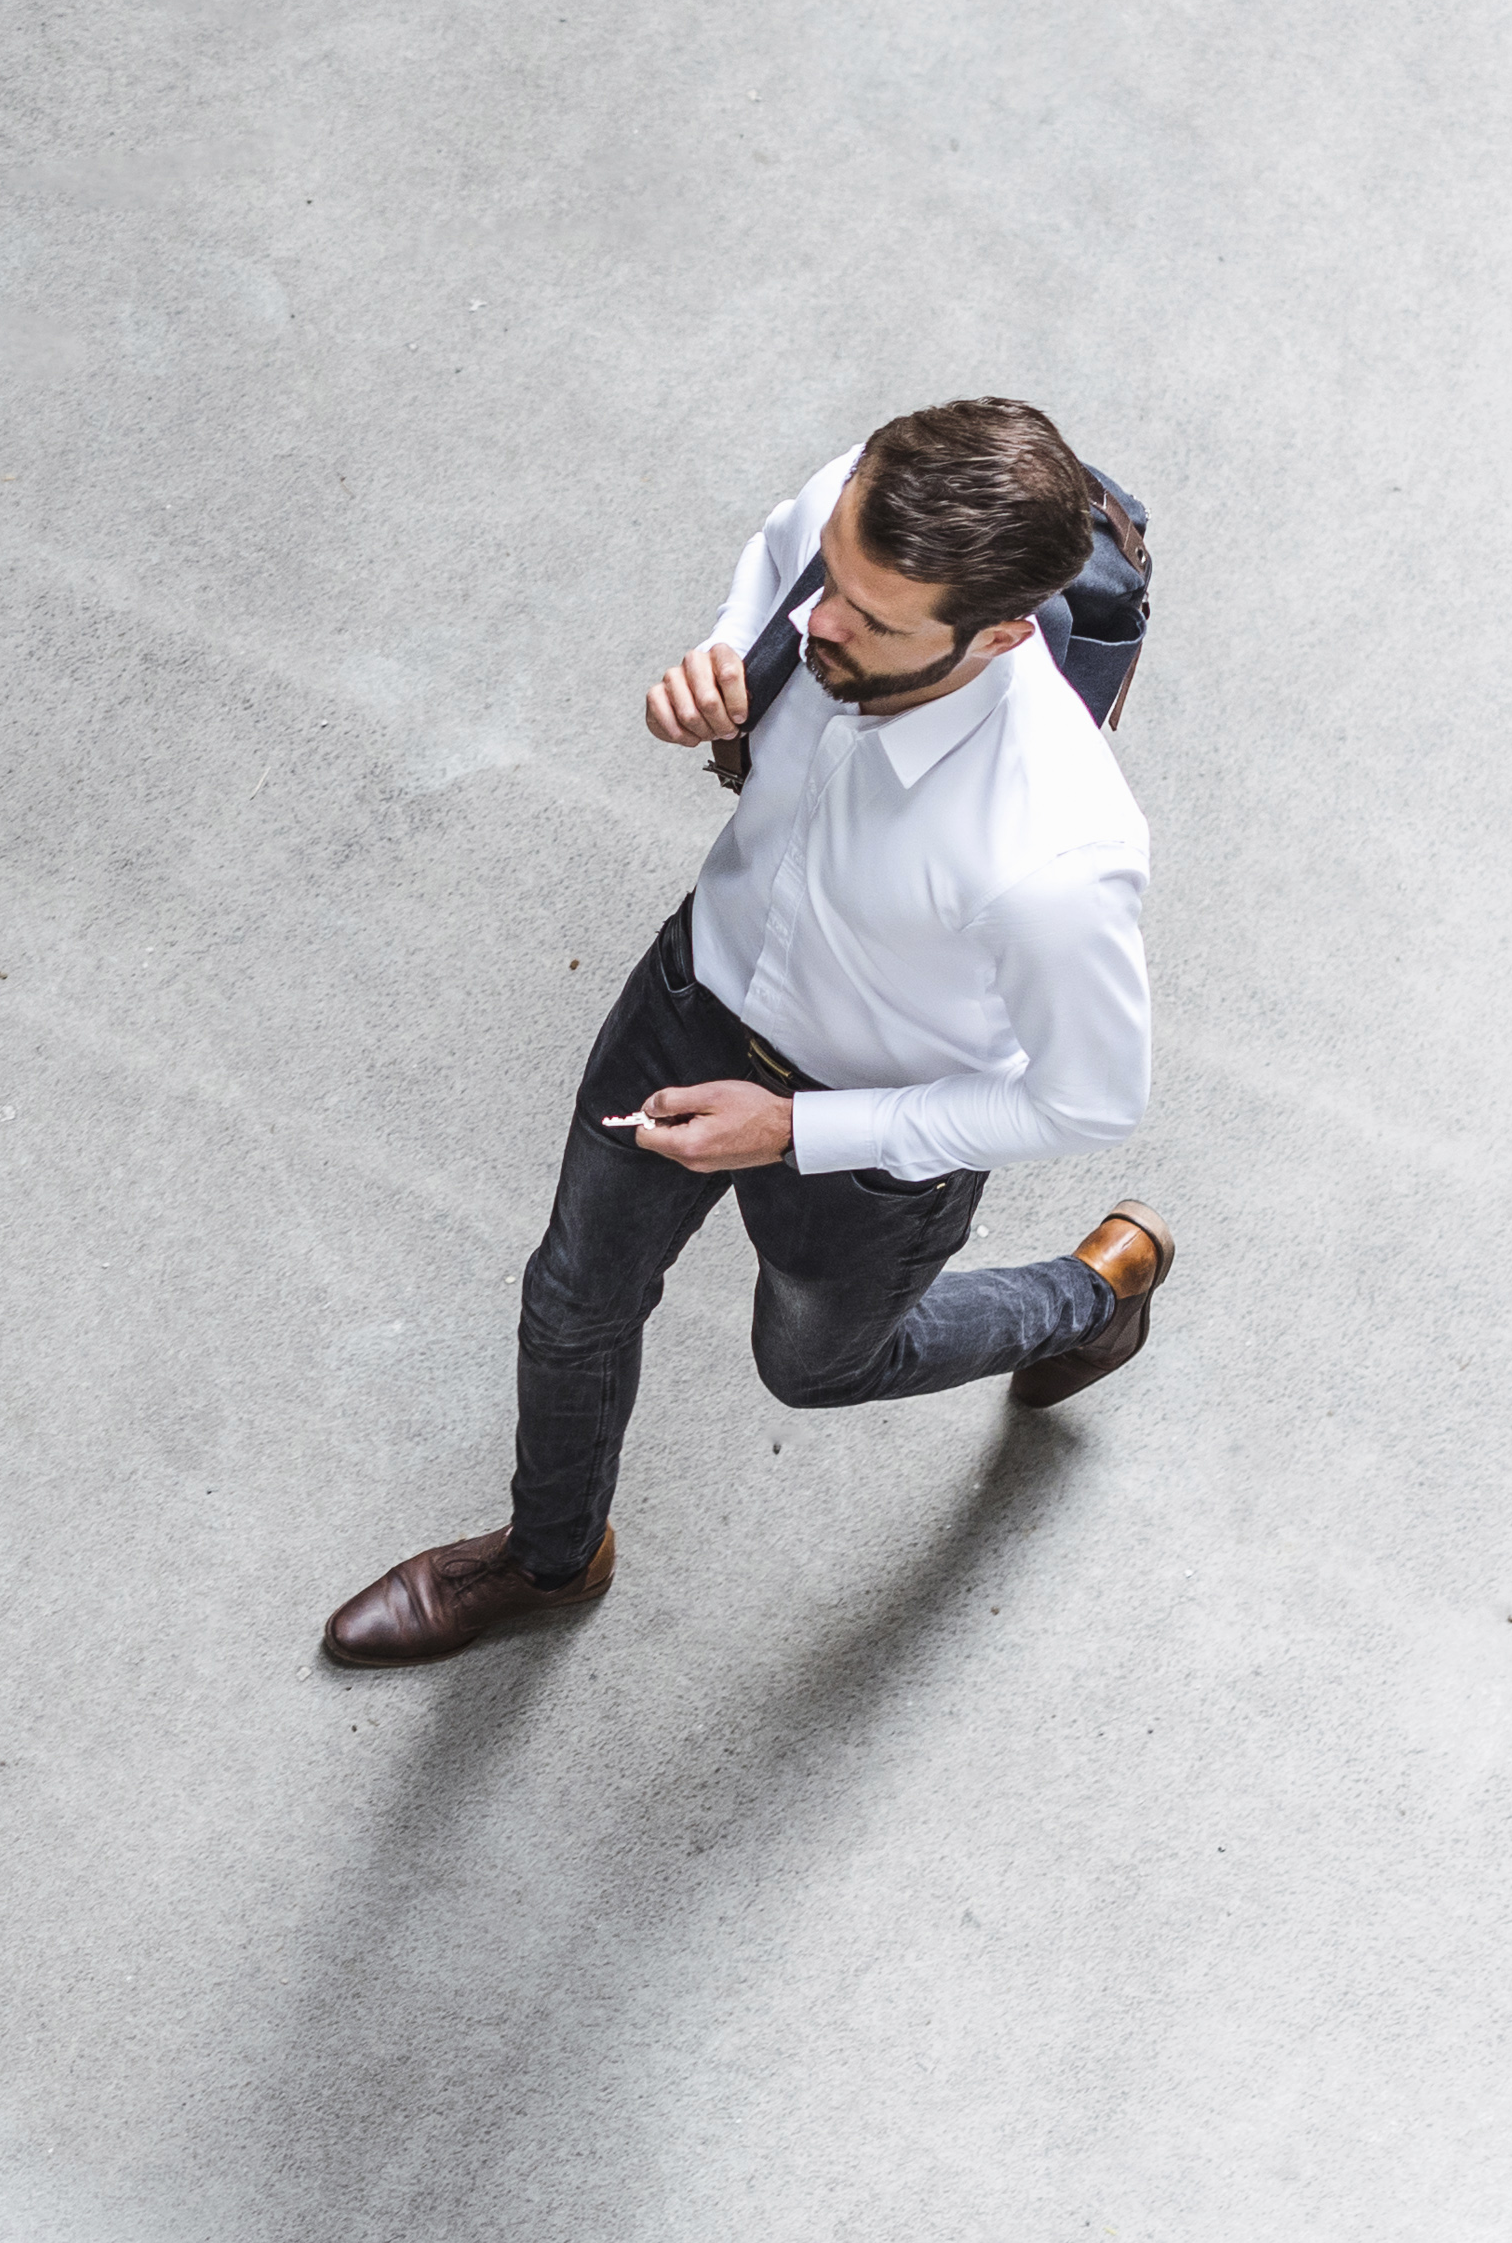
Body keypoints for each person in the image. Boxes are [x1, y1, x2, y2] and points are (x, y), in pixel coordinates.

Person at [321, 399, 1171, 1669]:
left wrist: (795, 1129)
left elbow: (1090, 1099)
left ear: (999, 635)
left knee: (816, 1369)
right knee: (570, 1299)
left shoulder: (1052, 855)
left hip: (872, 1137)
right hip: (692, 999)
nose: (817, 620)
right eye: (830, 577)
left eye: (870, 622)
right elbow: (773, 563)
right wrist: (720, 660)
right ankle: (547, 1557)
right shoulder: (851, 518)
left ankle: (1087, 1296)